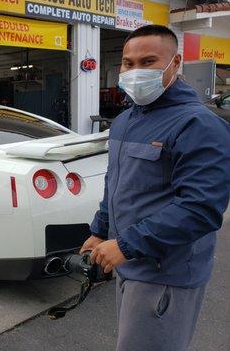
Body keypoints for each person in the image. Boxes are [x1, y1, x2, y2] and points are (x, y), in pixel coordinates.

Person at [80, 25, 230, 351]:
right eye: (128, 63)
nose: (135, 71)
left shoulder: (198, 125)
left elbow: (199, 210)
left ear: (175, 64)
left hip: (166, 274)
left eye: (148, 61)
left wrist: (127, 244)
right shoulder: (124, 121)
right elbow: (116, 183)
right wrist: (100, 229)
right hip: (130, 264)